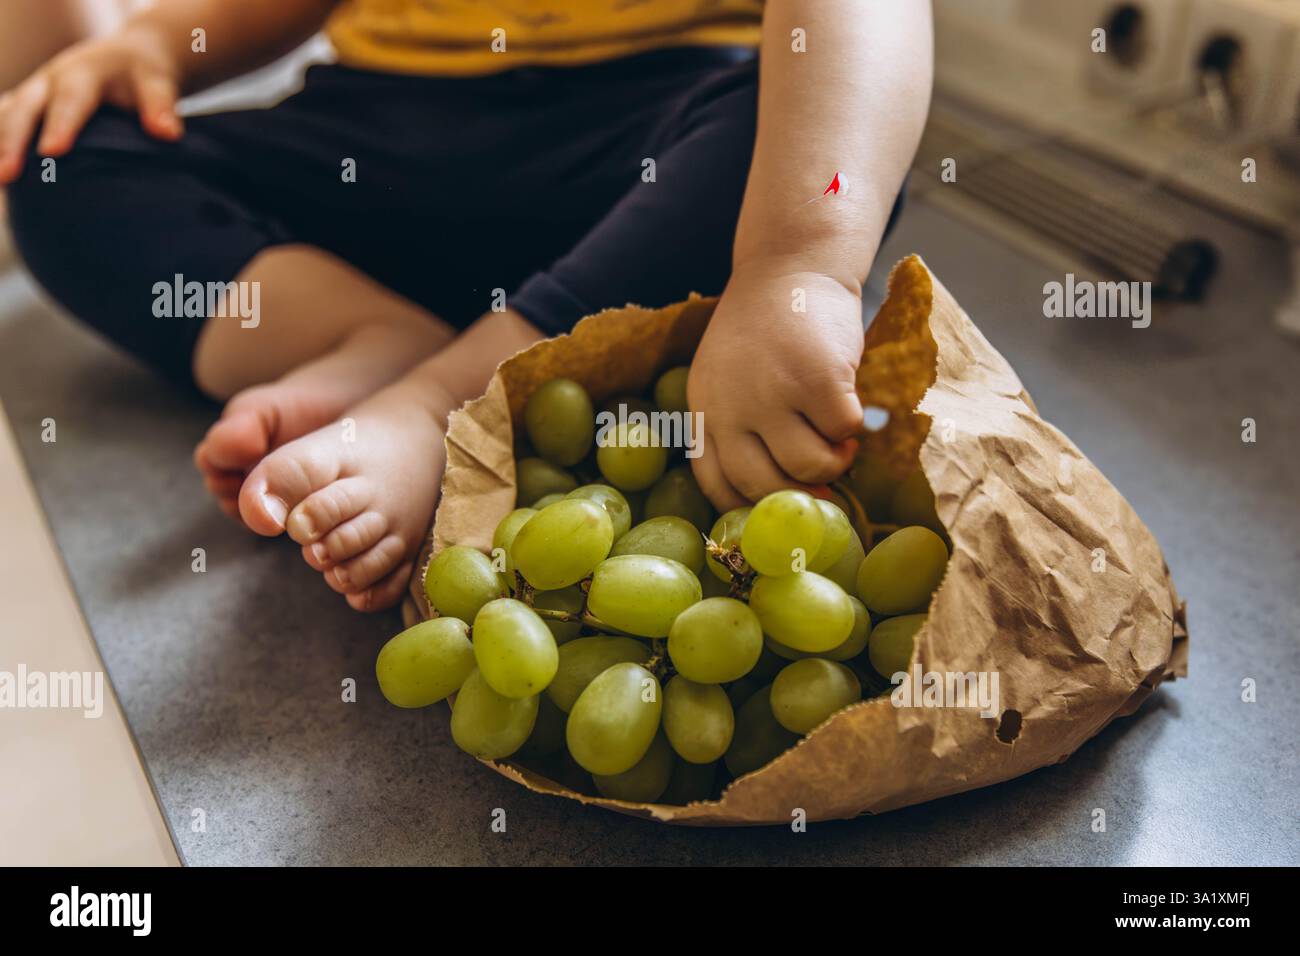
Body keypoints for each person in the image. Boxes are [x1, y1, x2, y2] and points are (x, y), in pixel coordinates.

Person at [1, 0, 933, 611]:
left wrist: (795, 264)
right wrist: (158, 46)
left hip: (646, 144)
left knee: (797, 132)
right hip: (389, 133)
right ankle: (363, 335)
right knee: (60, 154)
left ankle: (437, 396)